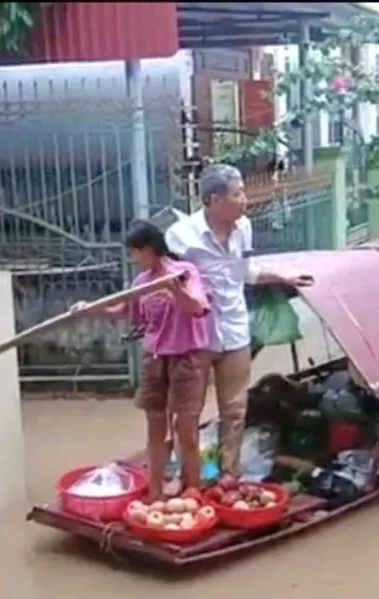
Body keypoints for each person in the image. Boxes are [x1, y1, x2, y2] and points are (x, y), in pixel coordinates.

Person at [165, 164, 313, 477]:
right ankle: (189, 478)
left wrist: (284, 276)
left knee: (234, 410)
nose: (245, 199)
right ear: (212, 200)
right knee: (187, 411)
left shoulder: (244, 227)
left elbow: (246, 272)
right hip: (195, 335)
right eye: (237, 194)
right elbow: (166, 286)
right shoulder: (180, 237)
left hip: (234, 329)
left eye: (243, 192)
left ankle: (228, 476)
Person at [70, 220, 211, 499]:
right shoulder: (142, 282)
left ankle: (193, 488)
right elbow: (123, 309)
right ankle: (155, 492)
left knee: (186, 429)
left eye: (137, 252)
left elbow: (197, 308)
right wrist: (89, 310)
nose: (134, 259)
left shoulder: (185, 273)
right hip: (155, 360)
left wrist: (174, 289)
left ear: (151, 249)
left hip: (186, 359)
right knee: (155, 429)